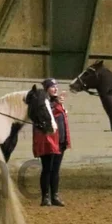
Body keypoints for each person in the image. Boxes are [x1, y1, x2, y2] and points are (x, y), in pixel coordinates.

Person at [33, 77, 70, 207]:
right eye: (52, 86)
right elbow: (46, 114)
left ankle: (54, 195)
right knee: (47, 169)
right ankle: (45, 197)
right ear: (46, 89)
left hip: (60, 140)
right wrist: (56, 104)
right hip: (49, 140)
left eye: (56, 86)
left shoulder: (56, 102)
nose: (55, 89)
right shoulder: (44, 103)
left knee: (55, 170)